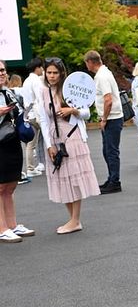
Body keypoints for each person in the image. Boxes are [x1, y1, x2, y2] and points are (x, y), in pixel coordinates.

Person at [38, 57, 100, 234]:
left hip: (72, 135)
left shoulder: (70, 89)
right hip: (53, 136)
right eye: (48, 72)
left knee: (73, 178)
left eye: (55, 72)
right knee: (60, 176)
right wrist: (49, 144)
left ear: (61, 73)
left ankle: (75, 219)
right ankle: (72, 218)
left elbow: (87, 112)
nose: (51, 76)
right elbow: (43, 119)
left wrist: (72, 110)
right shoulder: (43, 92)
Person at [0, 60, 35, 243]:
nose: (1, 73)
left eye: (3, 70)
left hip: (12, 141)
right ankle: (2, 227)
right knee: (0, 187)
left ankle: (12, 225)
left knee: (10, 186)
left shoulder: (10, 92)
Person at [84, 50, 123, 194]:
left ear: (90, 62)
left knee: (111, 151)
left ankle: (115, 181)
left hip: (111, 118)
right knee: (107, 150)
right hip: (112, 117)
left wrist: (104, 118)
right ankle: (112, 178)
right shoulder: (104, 73)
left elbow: (108, 99)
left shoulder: (102, 76)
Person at [22, 57, 46, 176]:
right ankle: (32, 168)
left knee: (31, 144)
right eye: (41, 67)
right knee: (48, 138)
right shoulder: (36, 81)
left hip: (29, 114)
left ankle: (30, 168)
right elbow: (40, 98)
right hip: (37, 114)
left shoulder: (26, 81)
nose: (42, 69)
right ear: (37, 68)